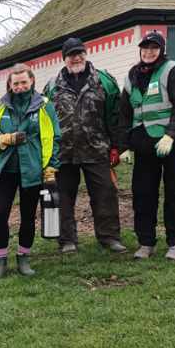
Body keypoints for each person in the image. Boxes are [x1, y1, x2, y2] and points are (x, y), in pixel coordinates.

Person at [117, 31, 175, 260]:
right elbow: (125, 114)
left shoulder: (173, 71)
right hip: (144, 142)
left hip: (174, 142)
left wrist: (171, 134)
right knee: (143, 193)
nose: (149, 52)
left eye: (154, 48)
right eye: (145, 48)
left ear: (161, 50)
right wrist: (125, 145)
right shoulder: (132, 76)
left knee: (174, 192)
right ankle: (146, 242)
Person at [44, 37, 126, 254]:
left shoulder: (104, 81)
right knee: (63, 197)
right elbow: (45, 122)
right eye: (71, 55)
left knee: (105, 194)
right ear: (64, 59)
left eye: (80, 53)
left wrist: (116, 146)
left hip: (97, 149)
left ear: (86, 54)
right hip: (64, 152)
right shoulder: (52, 87)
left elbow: (115, 116)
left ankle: (109, 237)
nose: (76, 57)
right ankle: (67, 240)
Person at [0, 64, 61, 278]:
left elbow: (54, 138)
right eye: (15, 83)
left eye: (24, 82)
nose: (19, 86)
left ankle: (23, 257)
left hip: (33, 170)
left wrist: (51, 165)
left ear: (32, 81)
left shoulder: (44, 106)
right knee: (0, 215)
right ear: (10, 84)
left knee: (28, 216)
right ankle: (0, 260)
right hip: (4, 170)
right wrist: (2, 140)